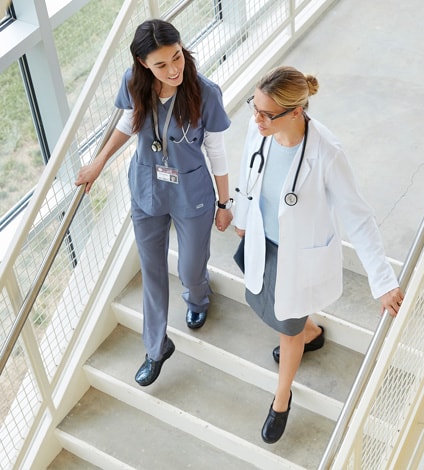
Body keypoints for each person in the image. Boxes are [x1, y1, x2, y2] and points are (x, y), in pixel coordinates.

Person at [233, 66, 404, 444]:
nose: (256, 119)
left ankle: (281, 399)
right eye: (254, 108)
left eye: (266, 113)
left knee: (286, 325)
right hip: (264, 240)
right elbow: (248, 172)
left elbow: (358, 218)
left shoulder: (326, 152)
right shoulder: (258, 130)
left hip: (300, 253)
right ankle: (312, 331)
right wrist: (241, 215)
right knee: (268, 305)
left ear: (295, 112)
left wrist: (383, 281)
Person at [75, 19, 233, 387]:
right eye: (161, 64)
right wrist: (99, 161)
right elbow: (130, 122)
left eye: (176, 57)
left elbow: (217, 152)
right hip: (147, 186)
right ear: (143, 63)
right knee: (152, 270)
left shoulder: (205, 92)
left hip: (191, 192)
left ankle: (198, 299)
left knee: (192, 267)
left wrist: (225, 203)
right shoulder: (135, 84)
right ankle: (156, 346)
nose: (174, 69)